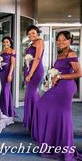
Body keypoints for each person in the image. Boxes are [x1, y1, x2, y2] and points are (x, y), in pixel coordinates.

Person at [31, 31, 82, 160]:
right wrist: (53, 77)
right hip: (58, 86)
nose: (60, 42)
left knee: (63, 117)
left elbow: (78, 73)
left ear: (70, 40)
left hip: (66, 88)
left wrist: (59, 76)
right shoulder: (60, 54)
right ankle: (52, 144)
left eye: (64, 40)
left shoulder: (71, 53)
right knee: (42, 106)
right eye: (58, 40)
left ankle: (65, 149)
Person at [23, 25, 44, 131]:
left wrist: (30, 73)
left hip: (36, 71)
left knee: (32, 93)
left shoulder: (40, 41)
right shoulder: (31, 43)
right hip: (29, 70)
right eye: (29, 33)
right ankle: (32, 120)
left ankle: (38, 120)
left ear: (37, 34)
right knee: (30, 94)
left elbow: (38, 58)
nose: (31, 35)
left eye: (33, 33)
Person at [0, 36, 16, 117]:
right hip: (2, 72)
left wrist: (10, 74)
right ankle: (9, 110)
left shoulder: (12, 51)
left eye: (7, 42)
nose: (5, 43)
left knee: (6, 90)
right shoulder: (1, 52)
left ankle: (6, 111)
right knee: (5, 90)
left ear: (10, 43)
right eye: (4, 42)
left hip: (8, 72)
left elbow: (13, 63)